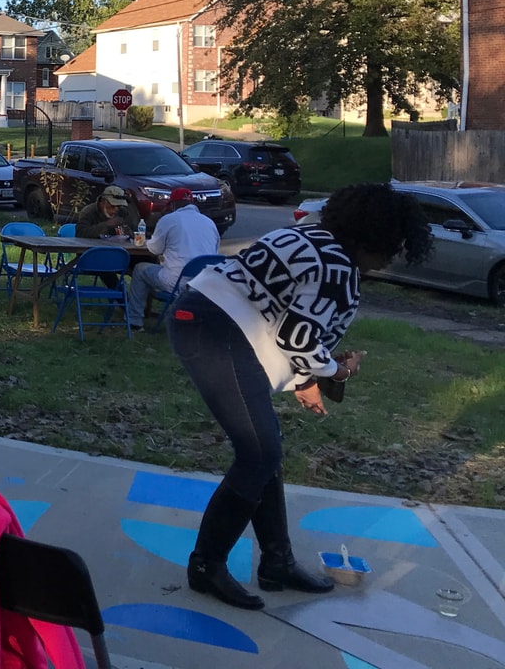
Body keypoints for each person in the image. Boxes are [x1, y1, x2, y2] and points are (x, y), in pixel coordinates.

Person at [168, 183, 431, 611]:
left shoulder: (307, 235)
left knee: (265, 450)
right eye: (393, 246)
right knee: (258, 454)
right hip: (218, 333)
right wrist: (337, 369)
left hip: (200, 315)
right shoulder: (340, 268)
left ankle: (277, 562)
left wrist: (307, 376)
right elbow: (297, 336)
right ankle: (206, 566)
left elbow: (277, 316)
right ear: (375, 238)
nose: (391, 257)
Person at [126, 186, 219, 328]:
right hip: (202, 283)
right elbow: (214, 253)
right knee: (153, 270)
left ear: (173, 204)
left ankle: (134, 320)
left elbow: (154, 249)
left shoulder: (169, 219)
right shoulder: (209, 223)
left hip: (176, 281)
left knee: (140, 269)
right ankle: (151, 310)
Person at [74, 184, 141, 238]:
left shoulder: (123, 212)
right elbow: (80, 234)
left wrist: (130, 233)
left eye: (119, 206)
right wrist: (106, 225)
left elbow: (136, 232)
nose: (116, 209)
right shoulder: (88, 211)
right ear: (103, 202)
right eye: (113, 206)